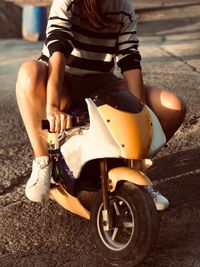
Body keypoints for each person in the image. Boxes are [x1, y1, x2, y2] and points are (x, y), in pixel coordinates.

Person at [16, 0, 186, 210]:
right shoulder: (67, 2)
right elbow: (58, 50)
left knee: (173, 106)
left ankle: (132, 174)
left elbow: (129, 59)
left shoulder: (123, 7)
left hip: (102, 82)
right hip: (63, 82)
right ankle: (43, 162)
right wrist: (52, 106)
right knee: (28, 72)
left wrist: (140, 110)